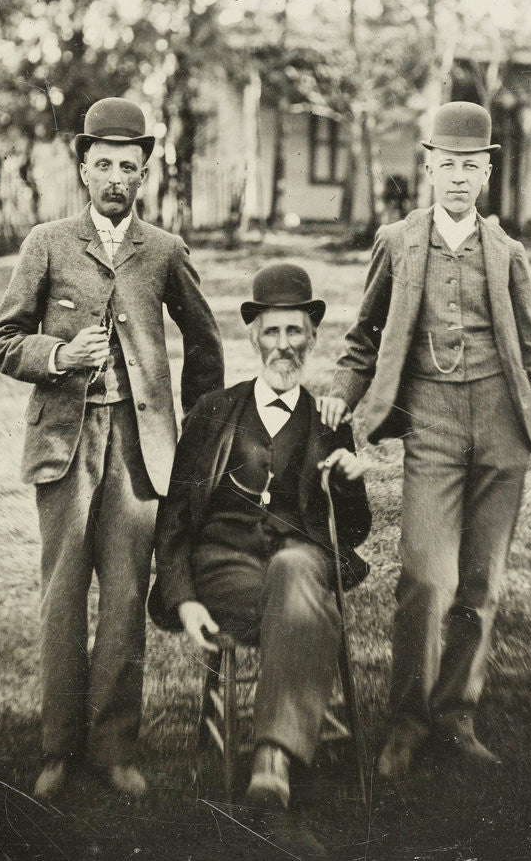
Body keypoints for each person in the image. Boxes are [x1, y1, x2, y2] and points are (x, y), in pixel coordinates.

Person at [318, 101, 531, 778]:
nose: (457, 177)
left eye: (471, 166)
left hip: (504, 430)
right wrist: (342, 396)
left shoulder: (507, 252)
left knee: (481, 583)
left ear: (486, 173)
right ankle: (406, 724)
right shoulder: (397, 242)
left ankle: (455, 718)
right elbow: (362, 337)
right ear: (428, 166)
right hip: (430, 421)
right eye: (446, 164)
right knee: (428, 577)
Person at [0, 97, 224, 800]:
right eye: (104, 164)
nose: (116, 176)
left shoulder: (165, 250)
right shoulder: (47, 243)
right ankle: (58, 748)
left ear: (144, 172)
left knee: (124, 595)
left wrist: (199, 433)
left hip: (141, 450)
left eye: (129, 165)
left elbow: (205, 343)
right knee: (62, 595)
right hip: (63, 443)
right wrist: (59, 354)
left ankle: (116, 745)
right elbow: (1, 340)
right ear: (83, 167)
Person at [148, 263, 371, 813]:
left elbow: (356, 529)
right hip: (227, 569)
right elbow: (174, 519)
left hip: (300, 562)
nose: (283, 345)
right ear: (252, 338)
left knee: (295, 572)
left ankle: (271, 757)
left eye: (295, 331)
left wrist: (346, 482)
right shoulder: (213, 413)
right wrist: (185, 599)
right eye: (272, 331)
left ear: (313, 338)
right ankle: (286, 741)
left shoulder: (329, 419)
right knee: (302, 606)